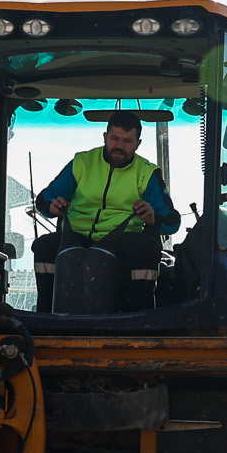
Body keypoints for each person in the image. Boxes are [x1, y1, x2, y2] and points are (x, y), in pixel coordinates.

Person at [32, 108, 181, 311]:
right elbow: (43, 199)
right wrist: (52, 206)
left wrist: (152, 218)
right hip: (76, 237)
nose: (119, 146)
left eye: (127, 141)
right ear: (105, 137)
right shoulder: (81, 163)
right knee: (44, 246)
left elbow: (172, 221)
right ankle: (46, 318)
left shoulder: (147, 173)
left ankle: (139, 320)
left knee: (147, 248)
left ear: (138, 143)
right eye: (115, 138)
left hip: (122, 240)